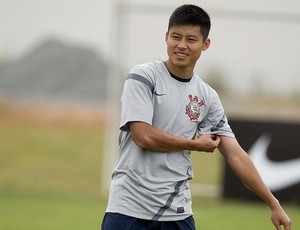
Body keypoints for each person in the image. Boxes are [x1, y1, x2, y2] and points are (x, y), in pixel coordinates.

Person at [101, 4, 292, 230]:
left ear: (205, 44)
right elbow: (143, 137)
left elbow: (236, 155)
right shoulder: (143, 77)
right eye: (176, 37)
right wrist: (194, 144)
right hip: (128, 207)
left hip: (175, 210)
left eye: (191, 39)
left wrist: (273, 202)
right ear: (166, 37)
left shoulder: (207, 96)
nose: (181, 45)